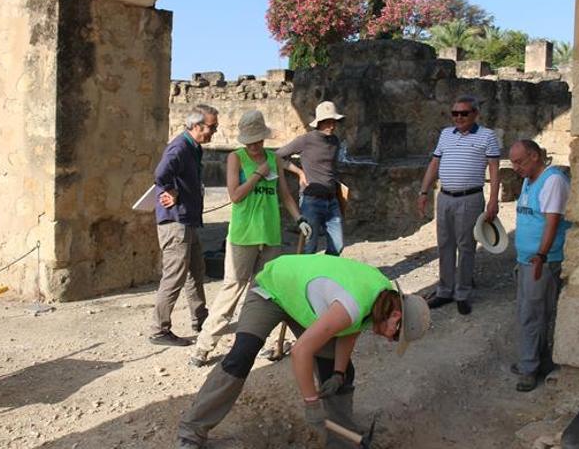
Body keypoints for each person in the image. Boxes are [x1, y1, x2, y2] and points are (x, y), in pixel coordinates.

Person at [177, 254, 430, 449]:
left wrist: (339, 374)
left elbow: (349, 333)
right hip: (273, 289)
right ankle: (191, 431)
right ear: (396, 316)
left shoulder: (381, 300)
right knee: (241, 355)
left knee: (337, 370)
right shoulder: (355, 303)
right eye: (396, 335)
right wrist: (311, 405)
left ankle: (341, 442)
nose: (390, 341)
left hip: (305, 305)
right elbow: (300, 352)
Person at [189, 110, 312, 367]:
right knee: (232, 289)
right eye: (251, 142)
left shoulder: (274, 158)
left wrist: (299, 219)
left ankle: (263, 343)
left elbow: (285, 196)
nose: (255, 146)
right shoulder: (236, 158)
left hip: (270, 234)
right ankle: (203, 346)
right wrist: (258, 174)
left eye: (258, 141)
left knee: (265, 292)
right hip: (243, 236)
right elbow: (235, 195)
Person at [417, 96, 500, 315]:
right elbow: (435, 162)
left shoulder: (487, 136)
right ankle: (445, 290)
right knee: (444, 244)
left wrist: (493, 200)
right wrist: (424, 191)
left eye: (464, 113)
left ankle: (462, 293)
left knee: (466, 246)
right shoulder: (445, 134)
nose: (459, 118)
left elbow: (494, 168)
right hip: (445, 196)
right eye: (455, 113)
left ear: (475, 114)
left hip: (469, 198)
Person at [150, 104, 219, 347]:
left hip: (186, 220)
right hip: (175, 222)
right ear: (197, 126)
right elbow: (161, 174)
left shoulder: (193, 147)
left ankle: (200, 318)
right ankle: (159, 330)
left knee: (195, 271)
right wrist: (171, 191)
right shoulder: (179, 147)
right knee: (175, 276)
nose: (215, 131)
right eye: (212, 127)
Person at [509, 139, 571, 392]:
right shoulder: (529, 178)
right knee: (530, 311)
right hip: (526, 260)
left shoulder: (552, 180)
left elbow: (552, 222)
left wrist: (541, 255)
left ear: (534, 156)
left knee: (532, 315)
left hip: (541, 261)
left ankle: (528, 369)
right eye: (513, 162)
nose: (515, 167)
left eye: (519, 161)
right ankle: (537, 360)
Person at [276, 101, 346, 256]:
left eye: (333, 121)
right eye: (328, 122)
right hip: (311, 200)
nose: (331, 126)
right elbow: (276, 157)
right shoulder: (306, 140)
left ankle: (325, 274)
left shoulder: (335, 141)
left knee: (338, 244)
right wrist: (299, 172)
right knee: (309, 246)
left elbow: (333, 168)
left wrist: (340, 193)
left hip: (331, 199)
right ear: (319, 123)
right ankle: (306, 279)